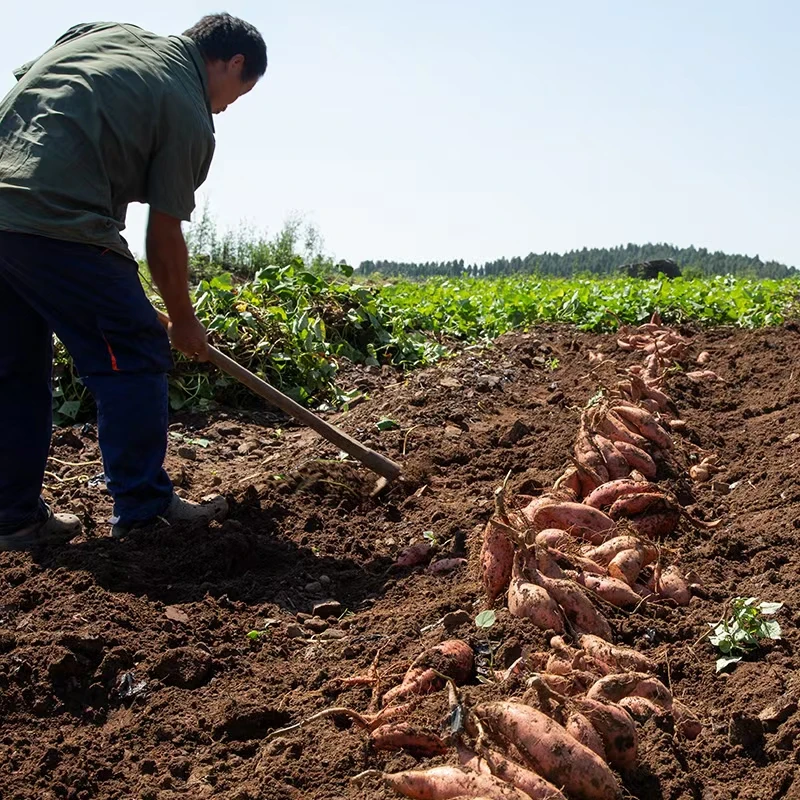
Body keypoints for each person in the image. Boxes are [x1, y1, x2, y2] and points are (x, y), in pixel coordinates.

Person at [0, 14, 267, 550]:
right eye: (235, 96)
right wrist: (183, 322)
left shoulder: (102, 35)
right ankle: (145, 513)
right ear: (233, 62)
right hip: (58, 222)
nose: (225, 108)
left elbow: (42, 85)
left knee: (15, 369)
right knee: (135, 349)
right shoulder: (188, 106)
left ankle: (12, 519)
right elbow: (163, 235)